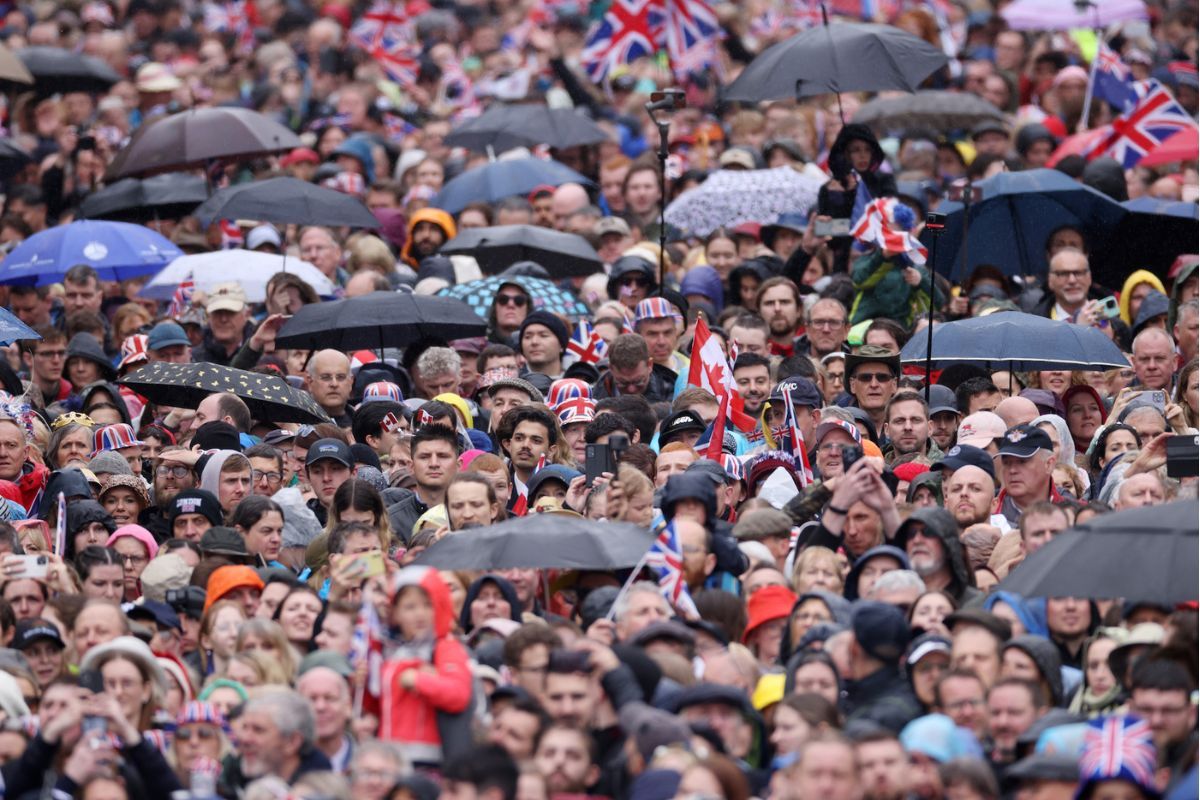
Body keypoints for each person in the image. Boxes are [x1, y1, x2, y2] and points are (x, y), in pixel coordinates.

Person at [381, 566, 473, 766]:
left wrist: (418, 680)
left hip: (426, 761)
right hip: (389, 759)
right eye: (410, 607)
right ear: (395, 613)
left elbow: (458, 694)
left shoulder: (445, 646)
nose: (420, 614)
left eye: (427, 605)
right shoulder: (390, 650)